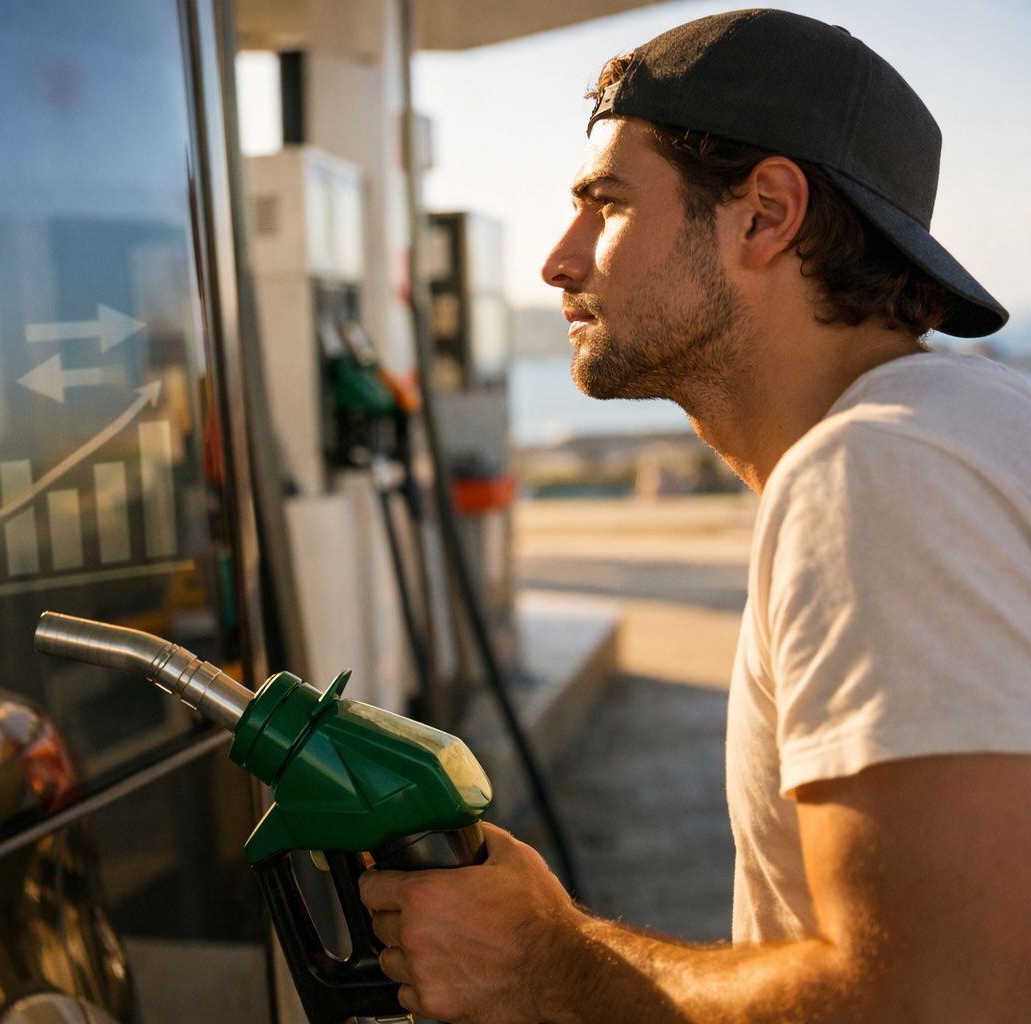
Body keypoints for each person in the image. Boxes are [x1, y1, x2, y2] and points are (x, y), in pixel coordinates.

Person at [358, 10, 1031, 1022]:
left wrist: (552, 962)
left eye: (607, 205)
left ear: (764, 213)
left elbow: (936, 1000)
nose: (558, 260)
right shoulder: (962, 427)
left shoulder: (874, 473)